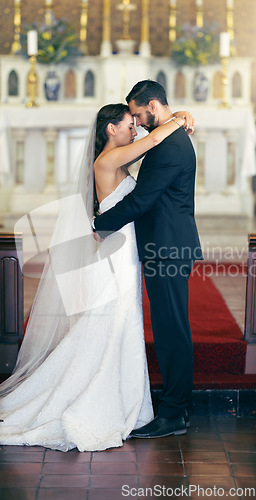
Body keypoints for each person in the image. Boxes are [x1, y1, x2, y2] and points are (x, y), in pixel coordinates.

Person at [0, 102, 192, 452]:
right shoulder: (107, 161)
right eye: (128, 124)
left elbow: (146, 154)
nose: (135, 129)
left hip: (126, 249)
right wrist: (179, 118)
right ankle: (102, 398)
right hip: (117, 254)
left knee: (123, 322)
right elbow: (151, 143)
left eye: (136, 123)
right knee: (115, 320)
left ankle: (124, 398)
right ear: (111, 129)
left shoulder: (118, 158)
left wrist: (182, 116)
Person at [93, 80, 203, 439]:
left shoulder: (170, 144)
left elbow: (142, 202)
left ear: (153, 106)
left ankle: (174, 413)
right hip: (166, 246)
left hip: (167, 249)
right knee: (171, 328)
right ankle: (175, 407)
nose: (138, 123)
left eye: (139, 115)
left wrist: (100, 223)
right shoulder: (171, 136)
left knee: (172, 332)